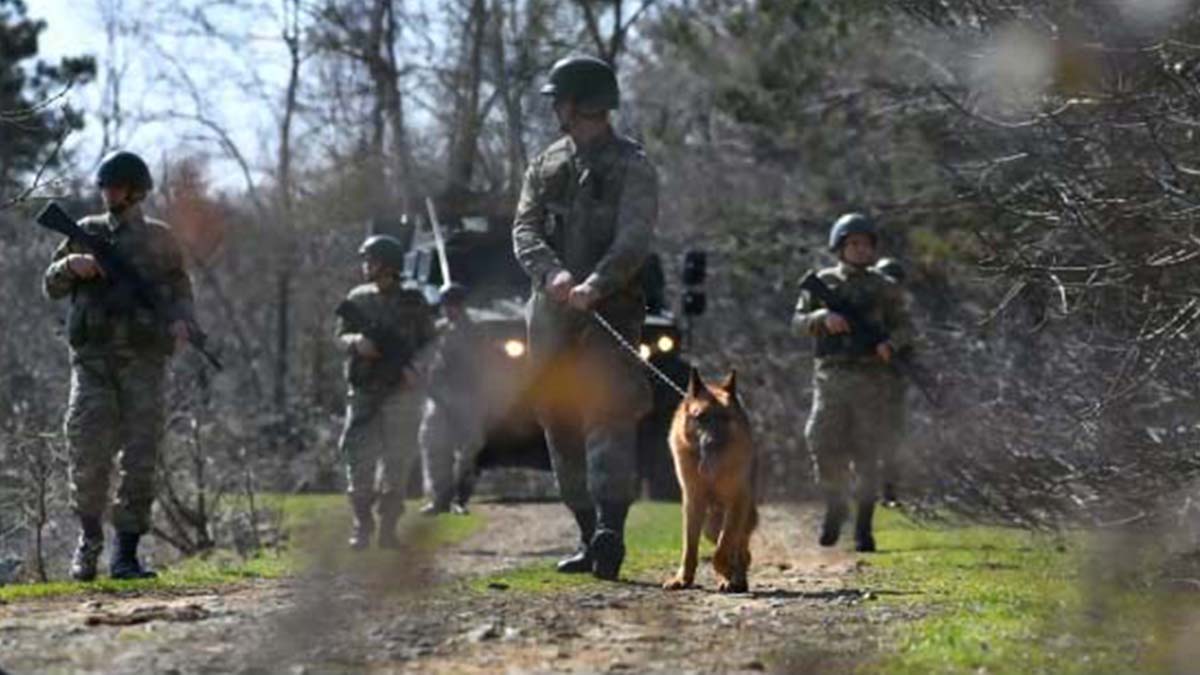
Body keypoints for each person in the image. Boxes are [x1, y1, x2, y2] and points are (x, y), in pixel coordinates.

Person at [512, 55, 658, 580]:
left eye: (559, 100)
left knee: (607, 412)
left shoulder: (633, 165)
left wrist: (597, 283)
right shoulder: (545, 165)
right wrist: (552, 274)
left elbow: (634, 238)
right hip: (551, 314)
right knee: (557, 417)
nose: (555, 109)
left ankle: (610, 531)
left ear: (577, 104)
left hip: (611, 309)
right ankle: (586, 532)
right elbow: (524, 229)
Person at [43, 150, 194, 580]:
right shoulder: (85, 231)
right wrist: (70, 265)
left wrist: (183, 322)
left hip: (144, 363)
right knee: (87, 453)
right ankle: (88, 541)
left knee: (141, 458)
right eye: (105, 187)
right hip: (92, 364)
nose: (108, 193)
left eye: (117, 187)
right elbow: (50, 286)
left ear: (136, 192)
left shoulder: (160, 239)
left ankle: (126, 555)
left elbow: (181, 290)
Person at [791, 213, 914, 552]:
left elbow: (906, 326)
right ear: (840, 247)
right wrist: (822, 317)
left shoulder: (885, 287)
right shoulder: (823, 282)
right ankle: (835, 503)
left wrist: (891, 344)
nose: (860, 250)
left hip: (872, 379)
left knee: (867, 453)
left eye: (866, 244)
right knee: (821, 441)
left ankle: (863, 527)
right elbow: (797, 322)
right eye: (853, 243)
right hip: (831, 376)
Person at [335, 234, 435, 549]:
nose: (366, 265)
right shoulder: (358, 298)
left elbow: (430, 344)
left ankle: (388, 529)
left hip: (401, 393)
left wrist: (416, 369)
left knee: (398, 463)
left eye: (371, 260)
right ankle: (362, 525)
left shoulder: (413, 301)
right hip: (364, 391)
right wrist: (357, 342)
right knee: (358, 460)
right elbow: (339, 336)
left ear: (387, 265)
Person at [418, 282, 486, 516]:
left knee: (468, 450)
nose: (449, 309)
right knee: (434, 446)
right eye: (446, 305)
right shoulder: (437, 330)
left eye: (453, 305)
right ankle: (439, 499)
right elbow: (425, 358)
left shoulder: (474, 331)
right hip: (438, 396)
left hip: (466, 396)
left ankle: (460, 499)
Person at [873, 257, 910, 505]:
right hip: (863, 382)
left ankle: (889, 491)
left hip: (893, 385)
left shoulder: (900, 315)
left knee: (892, 440)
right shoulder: (866, 310)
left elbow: (908, 337)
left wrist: (893, 345)